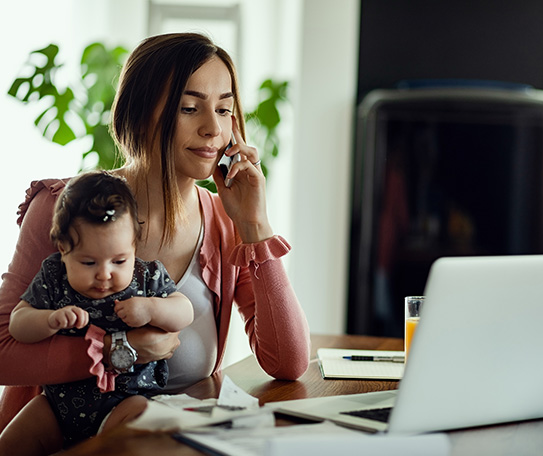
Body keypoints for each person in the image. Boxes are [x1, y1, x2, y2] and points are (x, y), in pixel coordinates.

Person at [0, 32, 311, 441]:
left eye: (224, 109)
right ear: (141, 111)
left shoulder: (223, 222)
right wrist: (118, 350)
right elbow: (4, 353)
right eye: (189, 108)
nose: (212, 129)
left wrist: (255, 225)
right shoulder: (65, 206)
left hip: (177, 441)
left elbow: (288, 362)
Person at [0, 171, 194, 453]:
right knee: (9, 444)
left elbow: (184, 311)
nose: (105, 274)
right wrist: (48, 320)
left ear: (134, 247)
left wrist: (152, 308)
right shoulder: (54, 276)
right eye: (89, 262)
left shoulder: (145, 278)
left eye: (119, 260)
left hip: (126, 400)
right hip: (56, 406)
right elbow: (18, 324)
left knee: (142, 422)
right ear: (63, 250)